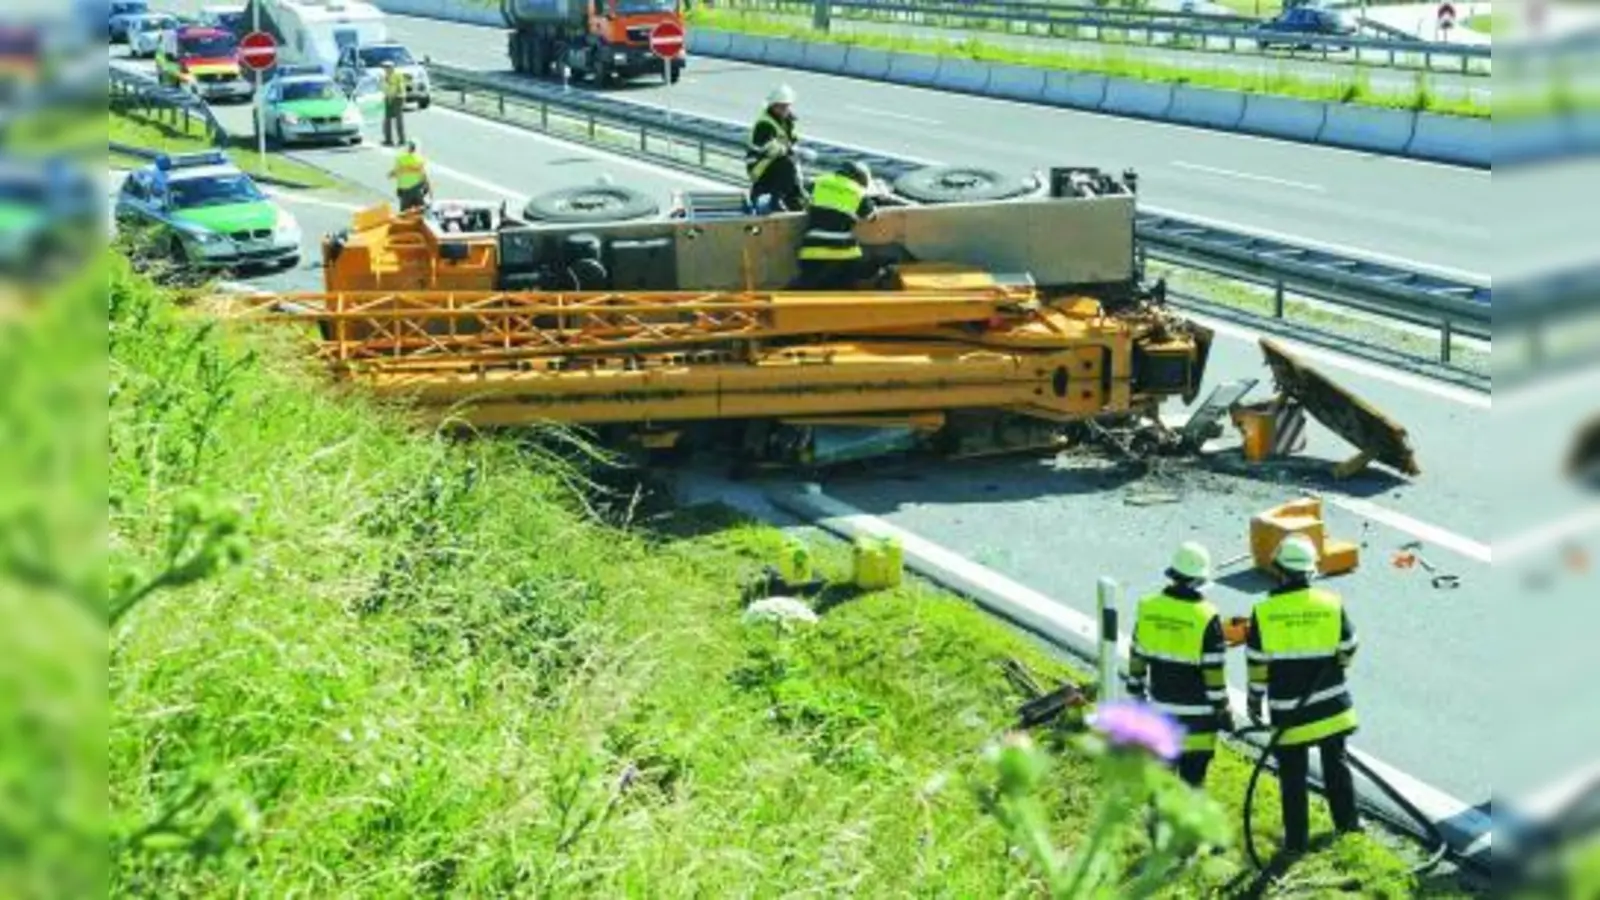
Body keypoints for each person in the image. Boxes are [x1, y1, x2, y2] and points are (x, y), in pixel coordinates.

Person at [1247, 535, 1362, 856]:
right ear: (1311, 572)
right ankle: (1348, 825)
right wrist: (1338, 664)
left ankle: (1296, 841)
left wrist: (1254, 700)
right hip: (1332, 708)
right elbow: (1349, 646)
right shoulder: (1330, 603)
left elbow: (1257, 666)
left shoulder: (1264, 612)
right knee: (1336, 767)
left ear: (1280, 571)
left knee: (1292, 779)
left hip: (1290, 716)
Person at [1125, 541, 1230, 789]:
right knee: (1192, 788)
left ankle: (1156, 827)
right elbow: (1214, 672)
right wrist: (1222, 708)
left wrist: (1136, 694)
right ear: (1200, 581)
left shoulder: (1149, 608)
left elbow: (1137, 657)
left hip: (1161, 715)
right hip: (1199, 721)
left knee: (1160, 788)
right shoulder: (1207, 616)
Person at [792, 161, 879, 291]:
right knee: (844, 291)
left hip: (812, 250)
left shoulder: (818, 182)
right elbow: (872, 217)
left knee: (811, 291)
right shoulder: (858, 192)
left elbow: (798, 197)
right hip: (843, 253)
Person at [746, 84, 805, 212]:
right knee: (788, 164)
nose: (785, 109)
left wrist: (796, 148)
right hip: (759, 166)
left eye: (787, 106)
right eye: (781, 106)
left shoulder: (786, 121)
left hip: (772, 163)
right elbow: (772, 149)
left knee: (793, 167)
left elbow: (791, 139)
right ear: (773, 105)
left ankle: (796, 199)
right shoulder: (764, 124)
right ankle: (775, 201)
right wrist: (792, 150)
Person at [388, 141, 429, 211]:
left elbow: (394, 173)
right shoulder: (420, 159)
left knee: (404, 214)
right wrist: (427, 187)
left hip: (405, 191)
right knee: (421, 212)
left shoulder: (400, 158)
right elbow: (424, 175)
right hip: (417, 190)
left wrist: (390, 174)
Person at [381, 60, 407, 146]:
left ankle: (402, 139)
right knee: (387, 120)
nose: (386, 69)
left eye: (388, 67)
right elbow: (385, 88)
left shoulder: (397, 75)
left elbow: (400, 87)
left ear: (392, 68)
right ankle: (388, 140)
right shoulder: (385, 76)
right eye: (385, 67)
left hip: (397, 98)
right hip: (388, 98)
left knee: (398, 120)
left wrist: (397, 96)